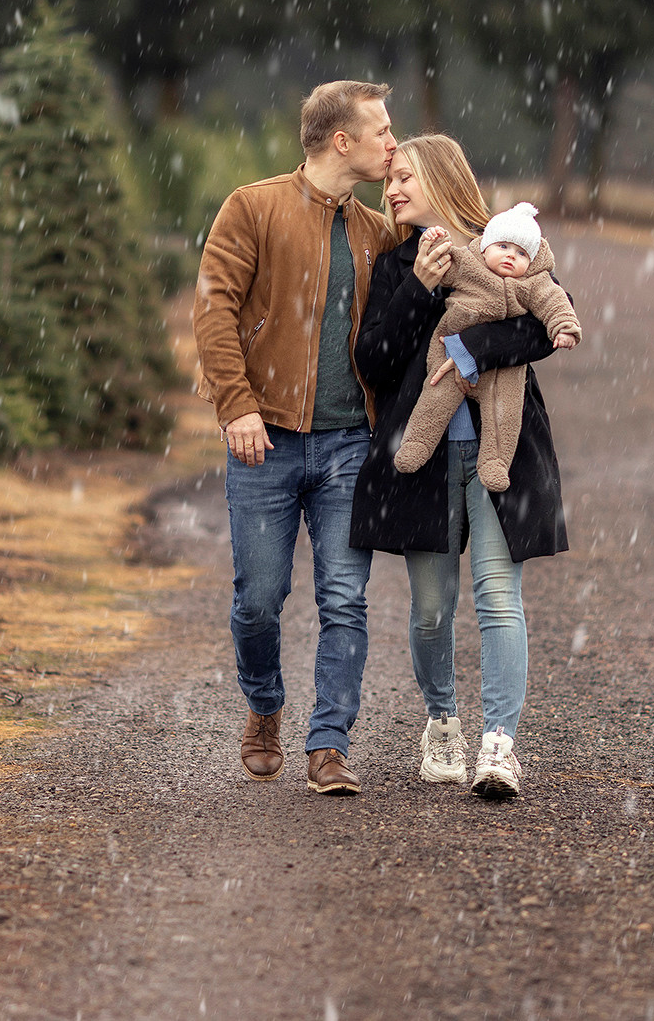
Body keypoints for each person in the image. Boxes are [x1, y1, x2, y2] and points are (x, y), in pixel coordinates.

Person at [192, 80, 399, 796]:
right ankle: (265, 705)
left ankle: (329, 744)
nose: (392, 143)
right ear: (342, 140)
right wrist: (237, 406)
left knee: (344, 598)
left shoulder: (378, 232)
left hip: (349, 446)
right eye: (382, 130)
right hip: (265, 441)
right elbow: (214, 308)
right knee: (258, 598)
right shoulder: (252, 207)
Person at [349, 135, 570, 799]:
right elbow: (374, 361)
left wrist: (470, 350)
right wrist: (419, 286)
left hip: (504, 451)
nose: (391, 190)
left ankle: (499, 743)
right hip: (423, 457)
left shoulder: (503, 244)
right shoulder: (396, 265)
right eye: (388, 180)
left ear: (442, 180)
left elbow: (545, 322)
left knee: (499, 599)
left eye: (404, 178)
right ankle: (442, 720)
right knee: (431, 610)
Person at [391, 201, 580, 493]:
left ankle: (495, 463)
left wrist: (564, 327)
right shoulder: (470, 264)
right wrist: (436, 242)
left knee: (505, 414)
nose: (510, 256)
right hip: (450, 350)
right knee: (435, 397)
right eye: (503, 246)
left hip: (503, 366)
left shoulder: (534, 282)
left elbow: (555, 302)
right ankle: (417, 444)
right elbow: (444, 263)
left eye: (521, 253)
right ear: (486, 246)